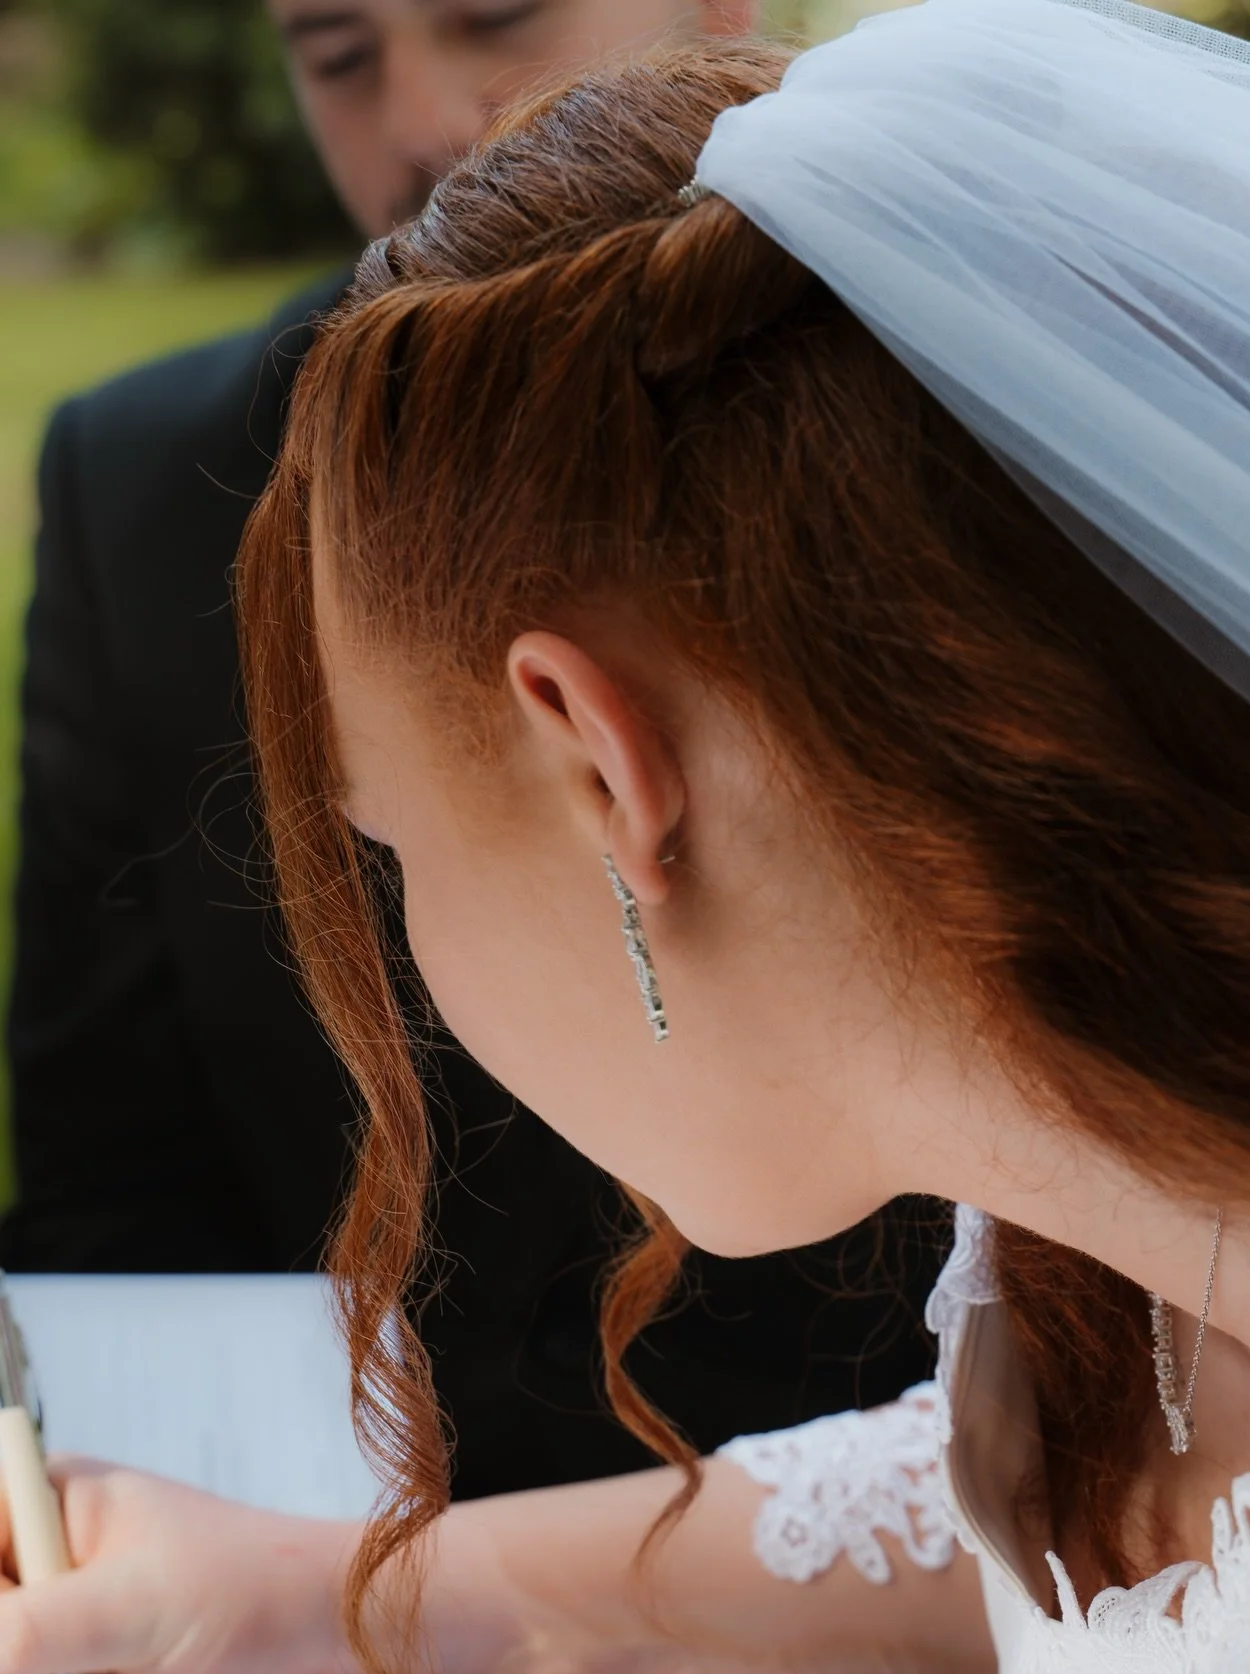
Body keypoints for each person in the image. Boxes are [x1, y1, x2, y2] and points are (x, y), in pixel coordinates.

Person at [3, 1, 1250, 1674]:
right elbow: (1117, 1531)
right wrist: (343, 1605)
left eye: (395, 853)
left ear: (602, 764)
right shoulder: (1152, 1181)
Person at [0, 0, 949, 1503]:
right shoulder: (149, 494)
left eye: (497, 12)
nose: (434, 116)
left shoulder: (957, 438)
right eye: (337, 57)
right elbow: (113, 1188)